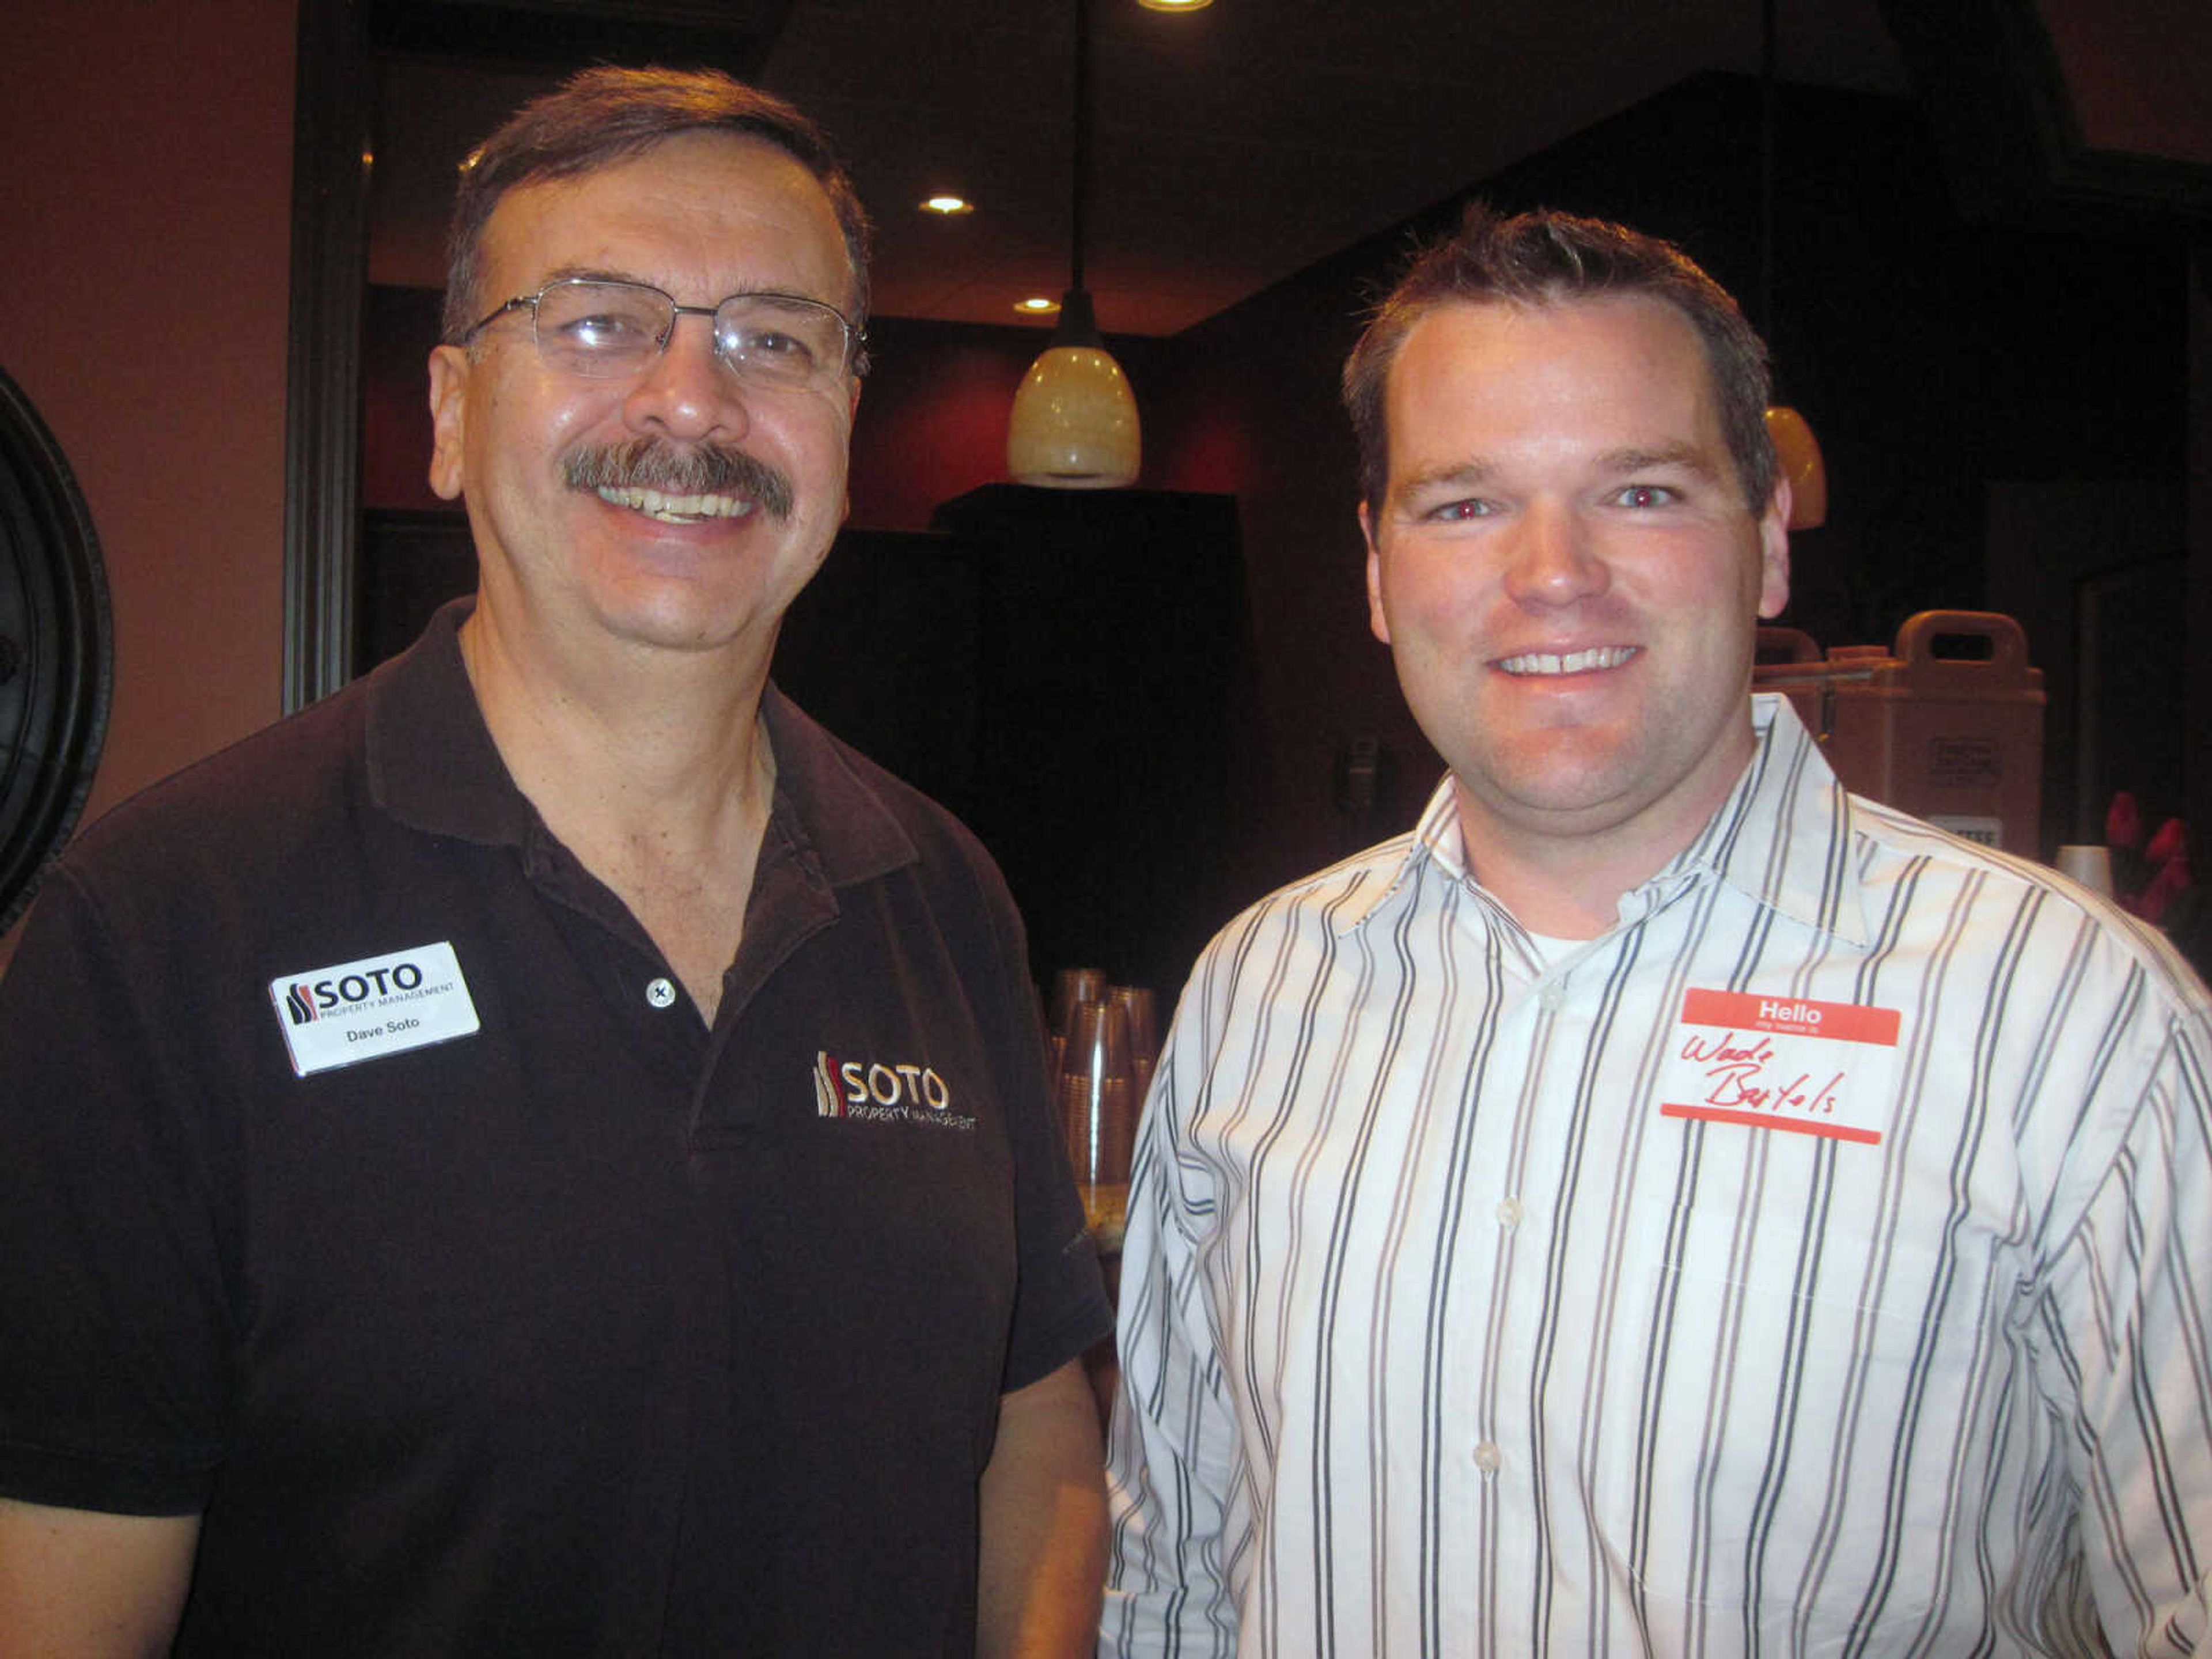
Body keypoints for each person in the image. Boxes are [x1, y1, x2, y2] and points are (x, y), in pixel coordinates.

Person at [0, 67, 1112, 1656]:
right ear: (452, 416)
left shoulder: (940, 895)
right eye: (597, 319)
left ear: (845, 426)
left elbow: (1037, 1436)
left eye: (772, 337)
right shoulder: (159, 931)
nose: (690, 402)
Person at [1100, 204, 2212, 1656]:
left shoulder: (2076, 1015)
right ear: (1377, 574)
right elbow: (1174, 1572)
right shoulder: (1261, 987)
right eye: (1464, 503)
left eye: (1640, 493)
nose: (1553, 572)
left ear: (1764, 547)